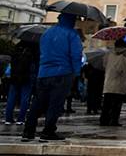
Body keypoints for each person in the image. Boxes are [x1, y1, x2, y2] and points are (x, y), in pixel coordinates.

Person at [22, 13, 83, 141]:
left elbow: (42, 51)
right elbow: (76, 55)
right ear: (72, 20)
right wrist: (76, 73)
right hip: (63, 72)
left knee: (37, 103)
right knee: (55, 104)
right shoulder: (72, 34)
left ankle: (28, 132)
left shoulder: (47, 33)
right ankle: (48, 131)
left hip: (43, 72)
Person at [100, 39, 126, 126]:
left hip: (108, 81)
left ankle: (104, 120)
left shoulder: (108, 53)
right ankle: (114, 120)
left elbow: (104, 65)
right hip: (120, 81)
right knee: (117, 103)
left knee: (106, 103)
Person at [4, 41, 37, 125]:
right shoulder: (34, 48)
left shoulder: (17, 47)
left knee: (11, 98)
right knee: (25, 98)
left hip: (14, 76)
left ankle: (8, 119)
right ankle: (21, 119)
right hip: (26, 77)